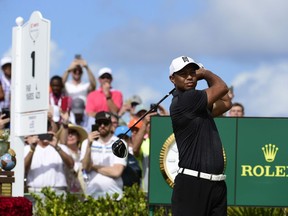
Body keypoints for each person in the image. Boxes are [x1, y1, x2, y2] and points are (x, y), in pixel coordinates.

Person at [168, 56, 232, 215]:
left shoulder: (198, 105)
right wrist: (205, 73)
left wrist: (203, 75)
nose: (189, 77)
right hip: (193, 185)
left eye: (192, 72)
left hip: (216, 185)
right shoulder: (186, 100)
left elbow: (226, 102)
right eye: (183, 74)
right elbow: (222, 88)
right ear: (172, 79)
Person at [80, 111, 126, 200]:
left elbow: (116, 172)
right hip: (92, 196)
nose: (102, 126)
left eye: (105, 123)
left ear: (111, 125)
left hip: (114, 196)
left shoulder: (120, 143)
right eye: (99, 123)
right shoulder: (86, 143)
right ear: (95, 125)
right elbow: (86, 166)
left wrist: (93, 166)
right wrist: (89, 144)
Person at [24, 121, 74, 195]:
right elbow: (23, 169)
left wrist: (57, 147)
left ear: (50, 129)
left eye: (46, 128)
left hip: (57, 191)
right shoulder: (27, 149)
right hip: (35, 191)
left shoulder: (61, 147)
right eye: (41, 129)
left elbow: (71, 165)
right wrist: (32, 149)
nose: (44, 132)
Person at [57, 123, 88, 193]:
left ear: (78, 137)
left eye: (73, 133)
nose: (70, 135)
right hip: (68, 190)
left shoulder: (84, 153)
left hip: (85, 189)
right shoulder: (60, 154)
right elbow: (62, 144)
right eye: (67, 133)